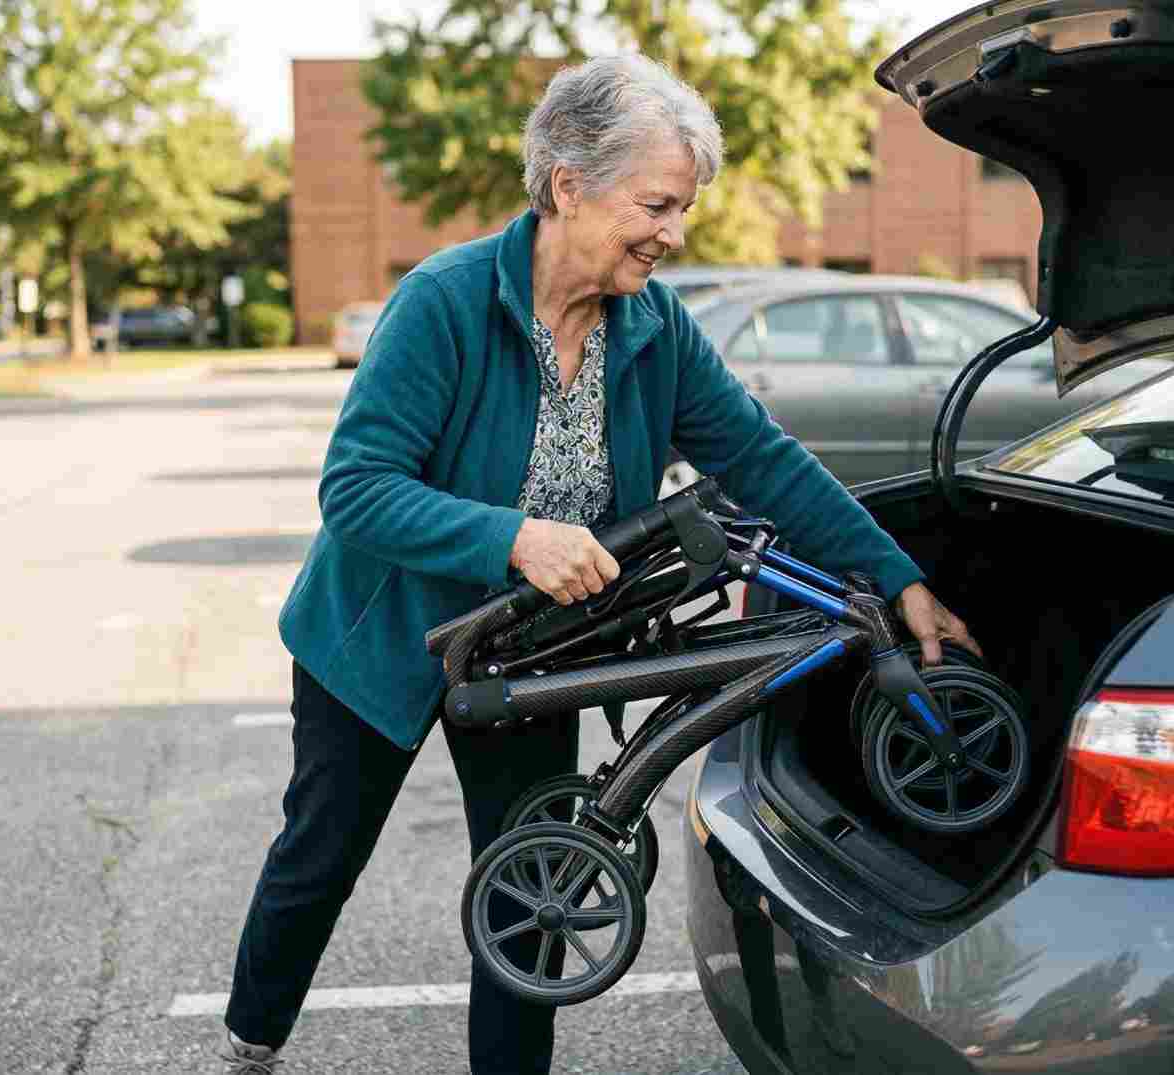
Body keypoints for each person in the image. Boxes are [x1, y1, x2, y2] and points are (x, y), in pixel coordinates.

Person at [221, 53, 980, 1074]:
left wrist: (898, 578)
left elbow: (762, 460)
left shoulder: (653, 325)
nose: (674, 233)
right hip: (382, 636)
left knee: (532, 889)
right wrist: (514, 537)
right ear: (569, 184)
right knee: (320, 858)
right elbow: (356, 490)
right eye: (657, 204)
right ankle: (250, 1035)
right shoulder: (442, 303)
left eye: (683, 209)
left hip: (536, 652)